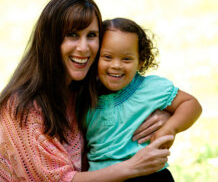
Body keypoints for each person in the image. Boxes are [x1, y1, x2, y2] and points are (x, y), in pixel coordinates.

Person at [0, 0, 174, 182]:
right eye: (72, 35)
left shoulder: (85, 88)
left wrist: (162, 117)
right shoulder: (21, 107)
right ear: (50, 40)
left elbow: (141, 104)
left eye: (91, 35)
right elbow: (60, 180)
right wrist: (132, 167)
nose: (83, 47)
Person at [86, 18, 202, 181]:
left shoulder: (151, 88)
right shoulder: (83, 96)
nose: (116, 65)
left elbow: (191, 104)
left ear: (141, 61)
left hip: (150, 175)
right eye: (107, 57)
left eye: (126, 59)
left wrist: (170, 128)